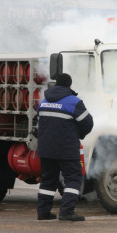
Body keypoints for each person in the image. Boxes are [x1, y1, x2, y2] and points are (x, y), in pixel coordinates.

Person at [36, 73, 94, 221]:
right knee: (73, 178)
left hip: (46, 148)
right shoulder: (74, 102)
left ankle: (43, 213)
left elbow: (40, 124)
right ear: (70, 85)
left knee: (48, 180)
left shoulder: (44, 101)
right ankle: (67, 212)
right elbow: (88, 123)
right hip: (66, 148)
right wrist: (79, 134)